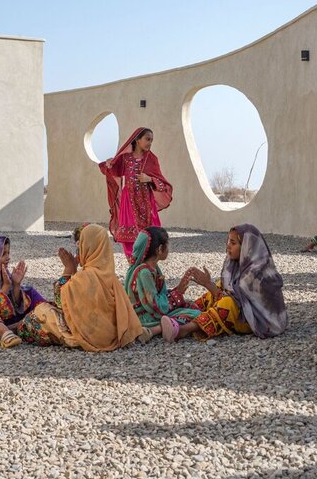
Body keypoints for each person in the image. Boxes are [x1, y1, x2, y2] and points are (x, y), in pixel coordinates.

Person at [13, 223, 145, 351]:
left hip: (88, 335)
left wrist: (68, 269)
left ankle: (15, 328)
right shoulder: (111, 277)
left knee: (41, 312)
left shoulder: (87, 276)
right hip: (109, 334)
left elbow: (60, 301)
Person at [161, 224, 288, 342]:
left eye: (233, 243)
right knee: (211, 295)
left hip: (257, 320)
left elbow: (237, 302)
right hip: (241, 310)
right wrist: (212, 287)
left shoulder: (258, 272)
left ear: (246, 247)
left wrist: (208, 285)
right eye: (228, 241)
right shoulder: (234, 265)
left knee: (227, 303)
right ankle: (180, 318)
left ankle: (184, 330)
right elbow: (227, 289)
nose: (228, 246)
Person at [99, 127, 173, 261]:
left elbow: (162, 182)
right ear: (138, 140)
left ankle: (149, 262)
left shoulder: (151, 159)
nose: (150, 143)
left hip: (146, 201)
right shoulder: (125, 158)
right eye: (147, 139)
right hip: (129, 200)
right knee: (129, 232)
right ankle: (132, 263)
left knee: (151, 234)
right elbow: (111, 169)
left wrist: (149, 179)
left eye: (151, 140)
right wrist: (109, 163)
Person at [125, 227, 201, 339]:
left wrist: (178, 290)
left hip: (152, 312)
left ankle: (161, 328)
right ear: (159, 249)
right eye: (167, 245)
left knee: (192, 306)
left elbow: (160, 297)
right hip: (144, 317)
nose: (169, 249)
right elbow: (154, 306)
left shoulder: (154, 268)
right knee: (196, 315)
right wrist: (177, 294)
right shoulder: (144, 272)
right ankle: (155, 330)